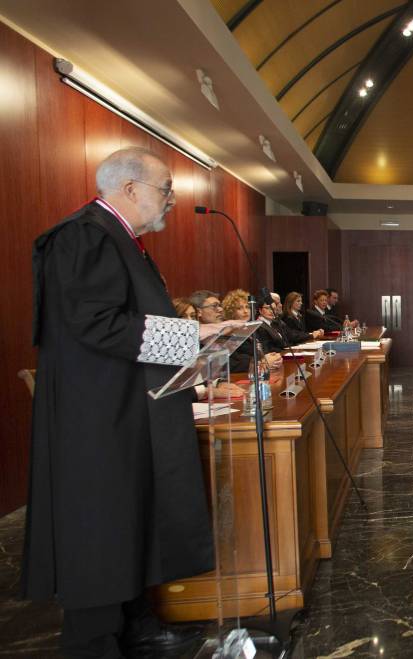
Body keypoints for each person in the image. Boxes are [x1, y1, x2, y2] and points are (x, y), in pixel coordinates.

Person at [25, 147, 211, 657]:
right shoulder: (85, 236)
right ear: (129, 188)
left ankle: (136, 624)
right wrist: (191, 337)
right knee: (100, 525)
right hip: (97, 417)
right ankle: (97, 641)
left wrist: (197, 339)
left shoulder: (119, 238)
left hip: (126, 407)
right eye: (165, 189)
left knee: (130, 516)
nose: (171, 200)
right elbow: (97, 323)